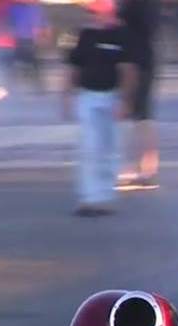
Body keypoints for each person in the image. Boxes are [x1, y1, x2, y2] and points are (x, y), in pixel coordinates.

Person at [64, 0, 137, 216]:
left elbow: (129, 70)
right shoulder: (85, 35)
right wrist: (67, 95)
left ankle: (105, 196)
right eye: (93, 13)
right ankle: (89, 198)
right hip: (88, 96)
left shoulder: (121, 35)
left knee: (111, 149)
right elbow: (74, 67)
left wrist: (125, 100)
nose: (95, 17)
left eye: (99, 13)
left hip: (112, 96)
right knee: (90, 148)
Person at [116, 0, 159, 188]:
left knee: (138, 115)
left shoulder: (134, 6)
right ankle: (145, 167)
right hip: (144, 58)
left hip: (134, 59)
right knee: (142, 116)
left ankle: (143, 168)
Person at [8, 0, 46, 92]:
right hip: (25, 40)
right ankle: (37, 86)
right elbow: (41, 24)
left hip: (23, 40)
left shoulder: (17, 8)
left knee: (21, 61)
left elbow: (10, 23)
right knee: (31, 62)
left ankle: (14, 85)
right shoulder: (33, 8)